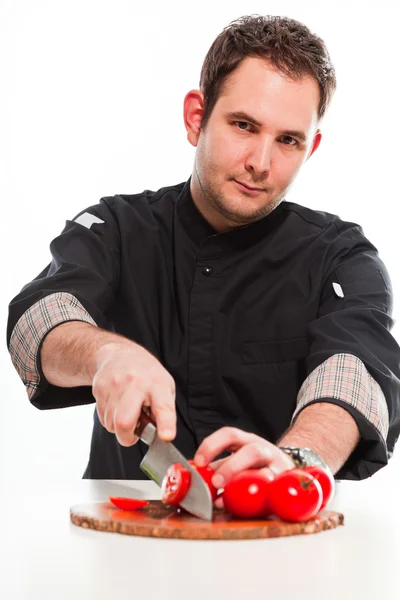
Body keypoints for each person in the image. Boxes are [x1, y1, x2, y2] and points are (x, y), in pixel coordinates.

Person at [7, 15, 400, 491]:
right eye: (243, 125)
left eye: (287, 140)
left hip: (275, 542)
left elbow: (355, 372)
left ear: (310, 148)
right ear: (197, 118)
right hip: (121, 543)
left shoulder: (342, 258)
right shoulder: (114, 228)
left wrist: (297, 462)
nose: (260, 162)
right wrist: (106, 353)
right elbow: (36, 320)